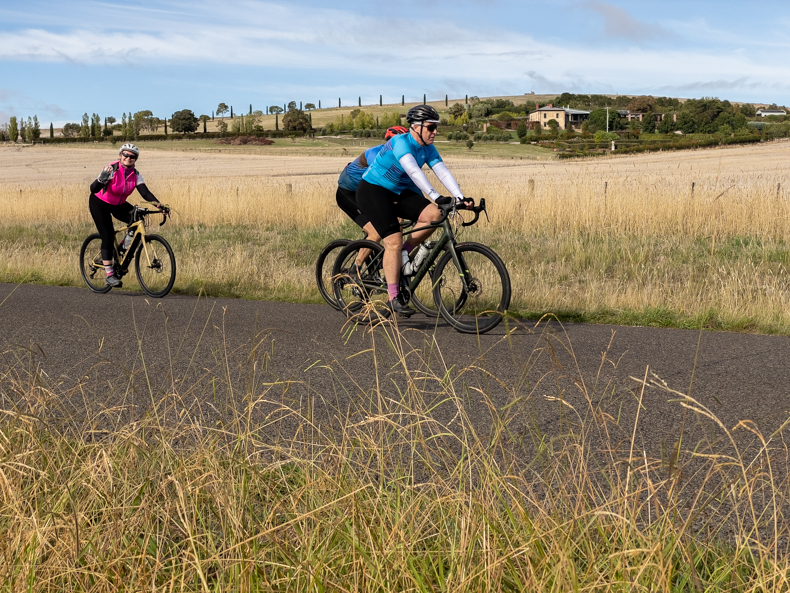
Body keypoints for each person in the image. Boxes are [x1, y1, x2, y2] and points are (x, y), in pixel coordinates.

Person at [356, 105, 471, 317]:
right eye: (430, 128)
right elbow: (413, 171)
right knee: (393, 239)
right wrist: (437, 196)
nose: (434, 132)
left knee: (434, 215)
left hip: (398, 192)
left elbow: (442, 172)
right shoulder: (400, 143)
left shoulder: (428, 147)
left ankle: (403, 254)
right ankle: (393, 298)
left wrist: (460, 198)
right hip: (373, 190)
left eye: (436, 127)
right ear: (416, 127)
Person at [88, 143, 167, 287]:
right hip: (100, 203)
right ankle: (110, 275)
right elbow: (93, 189)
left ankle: (122, 247)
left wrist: (159, 205)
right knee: (108, 235)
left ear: (135, 159)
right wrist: (102, 178)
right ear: (120, 156)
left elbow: (145, 193)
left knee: (137, 218)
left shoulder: (135, 175)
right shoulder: (111, 169)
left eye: (132, 156)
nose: (128, 158)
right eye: (125, 154)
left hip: (118, 204)